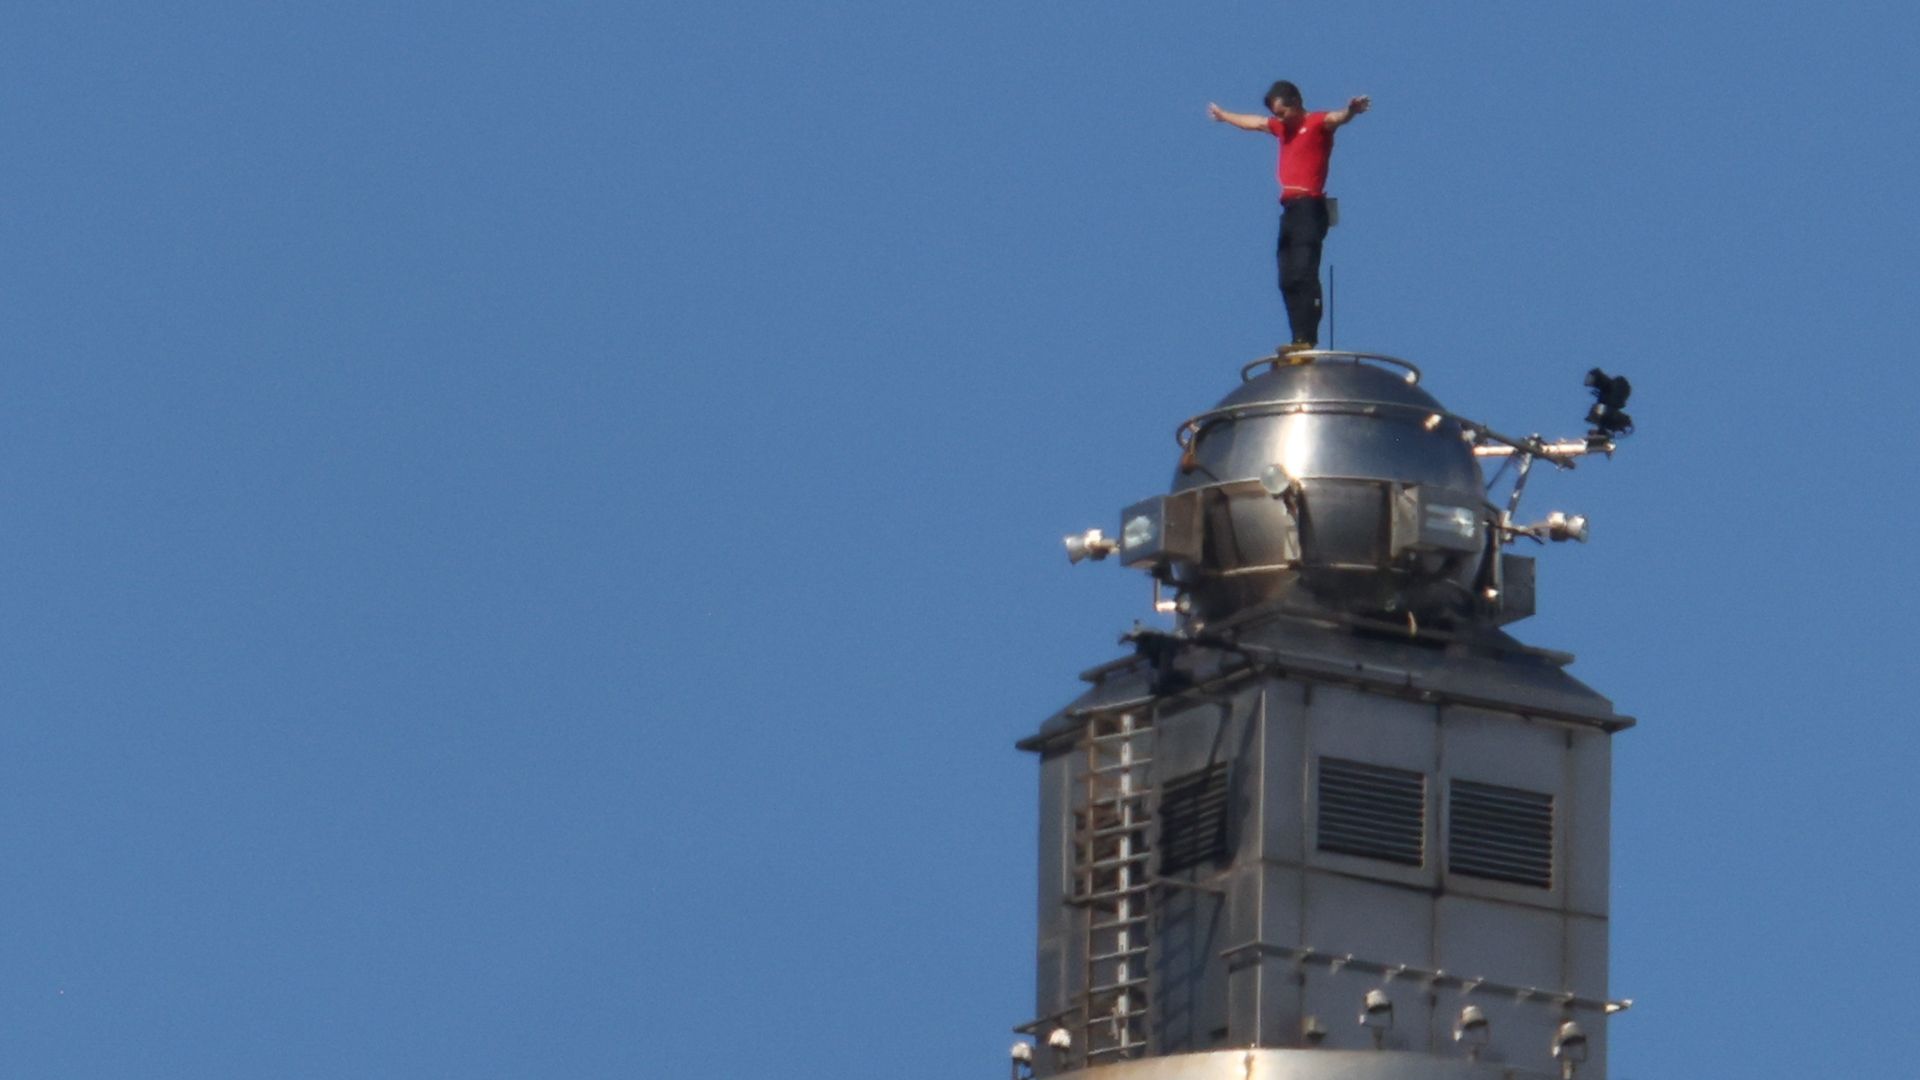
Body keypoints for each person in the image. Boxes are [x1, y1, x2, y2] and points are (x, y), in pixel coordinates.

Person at [1208, 82, 1370, 355]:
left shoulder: (1317, 122)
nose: (1279, 119)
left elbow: (1337, 118)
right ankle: (1297, 338)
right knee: (1287, 277)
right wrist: (1224, 116)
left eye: (1282, 112)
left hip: (1310, 206)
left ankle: (1308, 337)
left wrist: (1351, 110)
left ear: (1296, 103)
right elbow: (1254, 123)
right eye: (1276, 114)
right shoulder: (1282, 128)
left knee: (1304, 271)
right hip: (1290, 210)